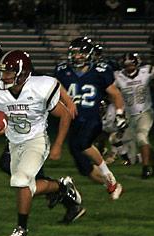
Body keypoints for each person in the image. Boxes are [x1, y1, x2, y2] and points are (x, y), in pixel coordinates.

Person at [0, 50, 85, 236]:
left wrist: (58, 145)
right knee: (28, 187)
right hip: (14, 142)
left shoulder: (40, 87)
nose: (4, 76)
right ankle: (62, 187)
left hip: (36, 140)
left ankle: (21, 229)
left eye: (9, 72)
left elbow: (66, 114)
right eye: (3, 72)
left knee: (20, 180)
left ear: (23, 73)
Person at [55, 37, 126, 201]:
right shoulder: (62, 70)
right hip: (72, 120)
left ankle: (109, 175)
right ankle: (113, 186)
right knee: (84, 169)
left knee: (83, 143)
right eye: (74, 53)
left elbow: (115, 94)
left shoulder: (101, 70)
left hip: (92, 118)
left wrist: (120, 114)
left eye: (81, 53)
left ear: (90, 55)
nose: (77, 56)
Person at [114, 53, 154, 178]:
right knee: (138, 141)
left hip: (145, 112)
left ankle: (146, 168)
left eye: (131, 63)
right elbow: (112, 92)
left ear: (137, 63)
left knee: (141, 136)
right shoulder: (118, 76)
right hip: (129, 115)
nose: (129, 66)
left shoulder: (146, 72)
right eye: (127, 64)